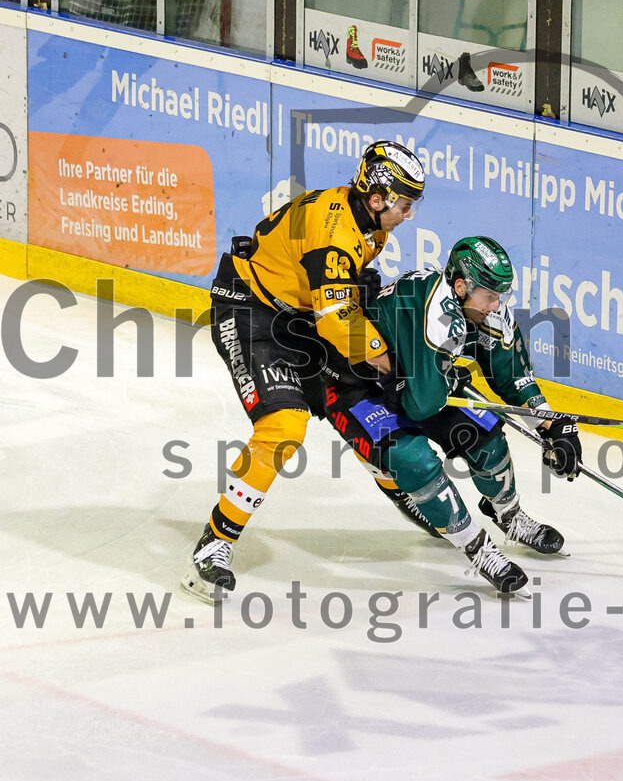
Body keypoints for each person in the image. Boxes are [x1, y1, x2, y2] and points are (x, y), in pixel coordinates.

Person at [181, 140, 426, 603]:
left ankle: (406, 492)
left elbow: (338, 301)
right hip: (251, 313)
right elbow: (336, 319)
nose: (408, 214)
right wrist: (389, 359)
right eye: (404, 203)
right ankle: (214, 544)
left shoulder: (371, 228)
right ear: (377, 199)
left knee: (364, 403)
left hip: (300, 317)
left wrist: (381, 353)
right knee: (284, 427)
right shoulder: (334, 231)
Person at [321, 236, 583, 595]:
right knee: (414, 460)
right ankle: (478, 548)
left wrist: (552, 426)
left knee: (488, 437)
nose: (496, 305)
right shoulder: (439, 318)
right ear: (461, 286)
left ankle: (509, 516)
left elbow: (513, 376)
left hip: (415, 378)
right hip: (358, 384)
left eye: (500, 296)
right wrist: (444, 378)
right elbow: (421, 407)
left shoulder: (482, 310)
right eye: (490, 296)